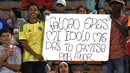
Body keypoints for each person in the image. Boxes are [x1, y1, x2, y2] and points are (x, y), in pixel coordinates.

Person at [19, 3, 46, 73]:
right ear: (28, 12)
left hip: (41, 59)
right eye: (31, 10)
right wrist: (35, 55)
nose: (33, 12)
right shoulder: (23, 26)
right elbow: (23, 43)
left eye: (35, 10)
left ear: (38, 12)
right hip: (27, 60)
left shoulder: (44, 24)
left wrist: (50, 16)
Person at [102, 0, 128, 73]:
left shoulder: (126, 18)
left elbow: (126, 32)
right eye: (113, 4)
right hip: (106, 55)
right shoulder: (104, 19)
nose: (115, 5)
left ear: (121, 6)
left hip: (120, 54)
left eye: (117, 4)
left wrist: (114, 19)